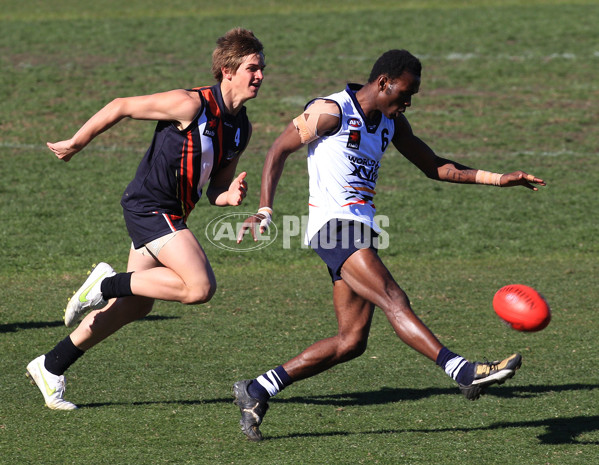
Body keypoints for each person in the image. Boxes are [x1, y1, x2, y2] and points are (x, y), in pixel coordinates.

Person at [232, 49, 545, 441]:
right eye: (405, 92)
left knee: (351, 341)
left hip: (359, 230)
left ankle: (258, 388)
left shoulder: (391, 124)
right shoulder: (332, 111)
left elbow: (434, 166)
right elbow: (278, 150)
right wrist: (264, 209)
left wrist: (499, 179)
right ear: (383, 82)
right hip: (334, 227)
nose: (408, 102)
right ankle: (460, 370)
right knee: (393, 297)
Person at [26, 28, 265, 410]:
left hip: (171, 214)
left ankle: (50, 366)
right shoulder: (189, 105)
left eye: (261, 68)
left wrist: (229, 195)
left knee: (135, 305)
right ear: (227, 70)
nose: (260, 76)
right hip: (149, 207)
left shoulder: (241, 128)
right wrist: (76, 142)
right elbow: (121, 105)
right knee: (199, 287)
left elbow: (216, 185)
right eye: (252, 68)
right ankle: (106, 283)